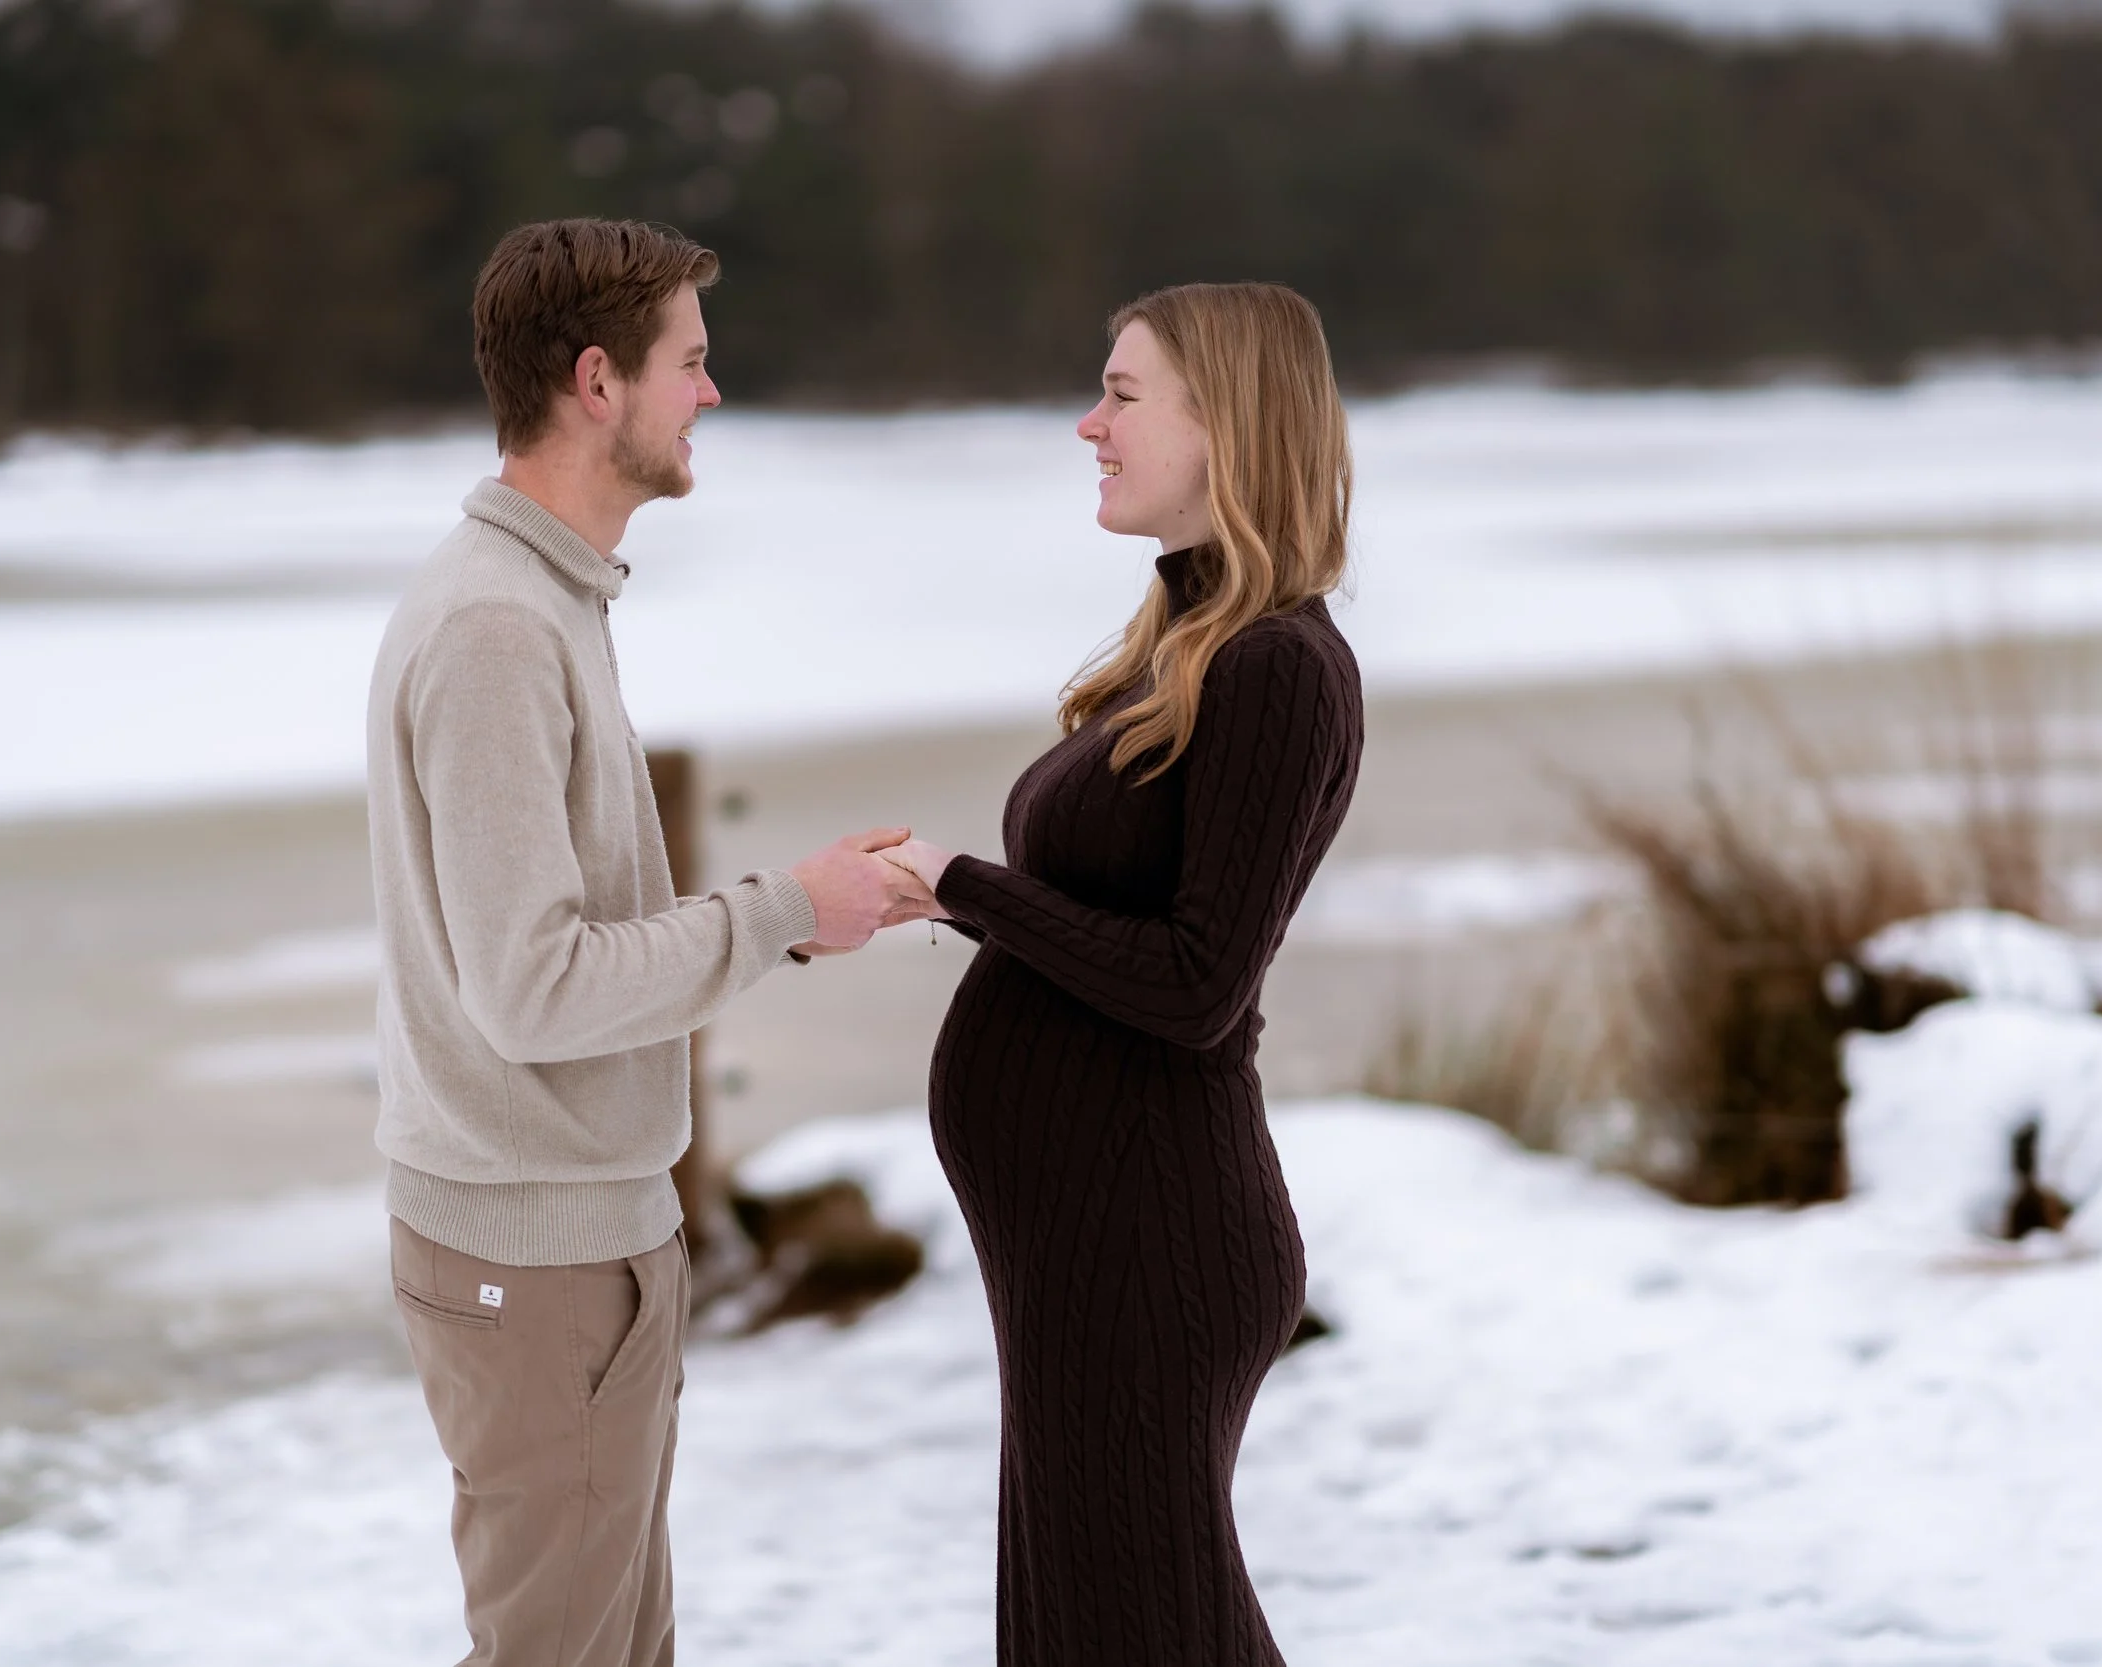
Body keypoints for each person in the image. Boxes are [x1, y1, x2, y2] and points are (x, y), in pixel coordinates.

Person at [364, 217, 922, 1667]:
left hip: (582, 1235)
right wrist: (788, 909)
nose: (711, 394)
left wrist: (798, 913)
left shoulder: (549, 599)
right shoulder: (496, 629)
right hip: (529, 1258)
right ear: (598, 382)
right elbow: (535, 987)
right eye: (692, 362)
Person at [881, 282, 1365, 1666]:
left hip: (1148, 1236)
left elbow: (1196, 985)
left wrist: (969, 883)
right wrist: (943, 895)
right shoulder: (1187, 648)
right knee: (1086, 1627)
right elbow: (1115, 929)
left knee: (1142, 1630)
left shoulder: (1278, 669)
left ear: (1227, 421)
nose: (1089, 423)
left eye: (1124, 393)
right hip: (1084, 1240)